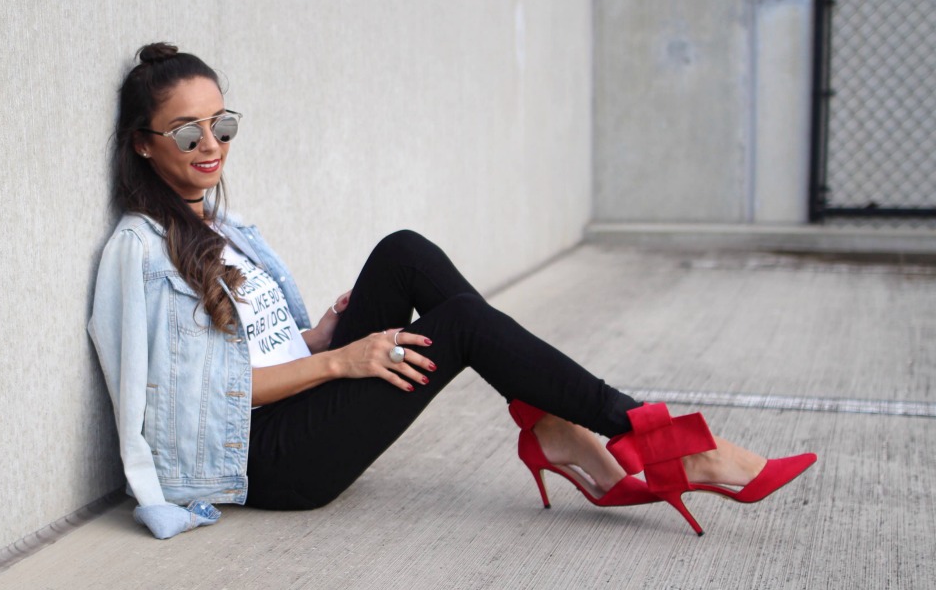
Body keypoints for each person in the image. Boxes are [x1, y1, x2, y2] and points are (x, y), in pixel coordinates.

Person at [88, 43, 816, 540]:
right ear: (143, 144)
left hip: (297, 396)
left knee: (403, 253)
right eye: (187, 133)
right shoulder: (138, 254)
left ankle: (562, 428)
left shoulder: (222, 226)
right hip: (267, 461)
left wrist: (315, 338)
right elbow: (189, 396)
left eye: (223, 124)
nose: (211, 144)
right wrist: (341, 361)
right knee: (462, 322)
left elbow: (243, 347)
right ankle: (648, 439)